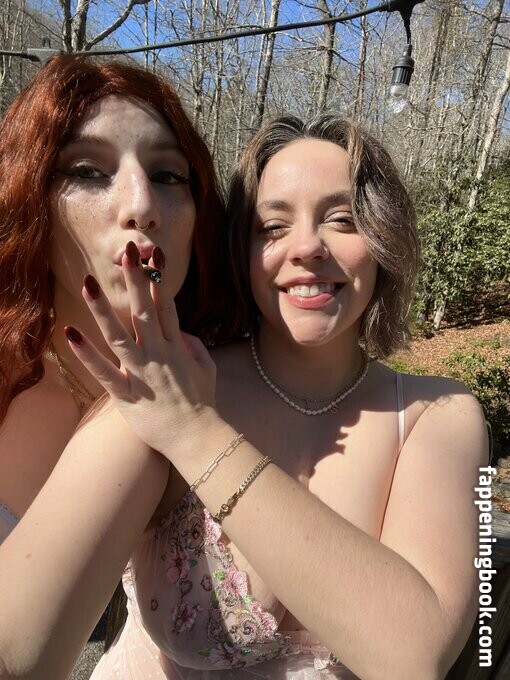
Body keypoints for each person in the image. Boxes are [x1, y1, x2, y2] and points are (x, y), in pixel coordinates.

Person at [1, 108, 488, 679]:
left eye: (342, 219)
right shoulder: (170, 380)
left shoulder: (440, 414)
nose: (306, 247)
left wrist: (196, 433)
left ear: (384, 237)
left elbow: (417, 656)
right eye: (273, 227)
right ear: (241, 249)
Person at [0, 54, 233, 677]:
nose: (141, 203)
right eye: (88, 170)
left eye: (168, 174)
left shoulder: (213, 396)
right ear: (29, 197)